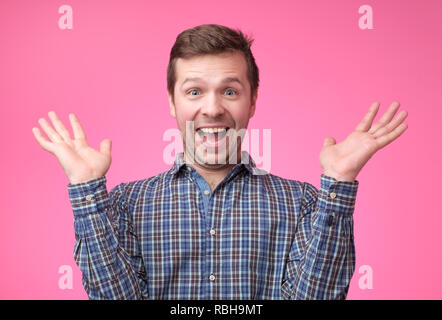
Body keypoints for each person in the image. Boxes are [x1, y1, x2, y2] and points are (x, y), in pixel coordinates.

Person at [32, 24, 408, 300]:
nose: (212, 109)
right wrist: (87, 192)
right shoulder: (125, 204)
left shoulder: (305, 203)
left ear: (253, 100)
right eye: (194, 91)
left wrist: (339, 183)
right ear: (172, 102)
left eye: (230, 91)